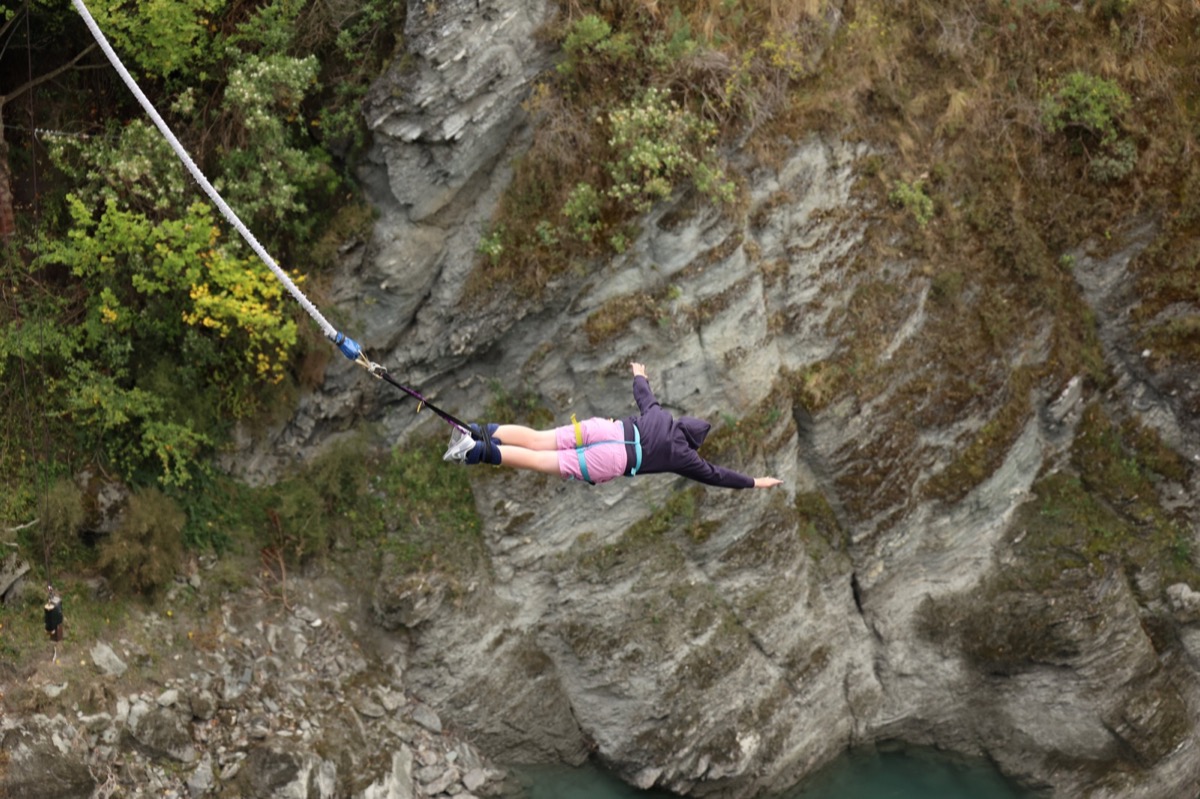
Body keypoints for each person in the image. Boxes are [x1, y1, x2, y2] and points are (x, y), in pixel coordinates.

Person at [445, 362, 783, 489]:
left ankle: (478, 432)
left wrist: (639, 374)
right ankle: (474, 452)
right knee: (538, 461)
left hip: (607, 430)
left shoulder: (661, 417)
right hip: (615, 460)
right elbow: (717, 475)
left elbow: (644, 395)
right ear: (693, 444)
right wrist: (755, 482)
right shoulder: (685, 457)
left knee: (538, 439)